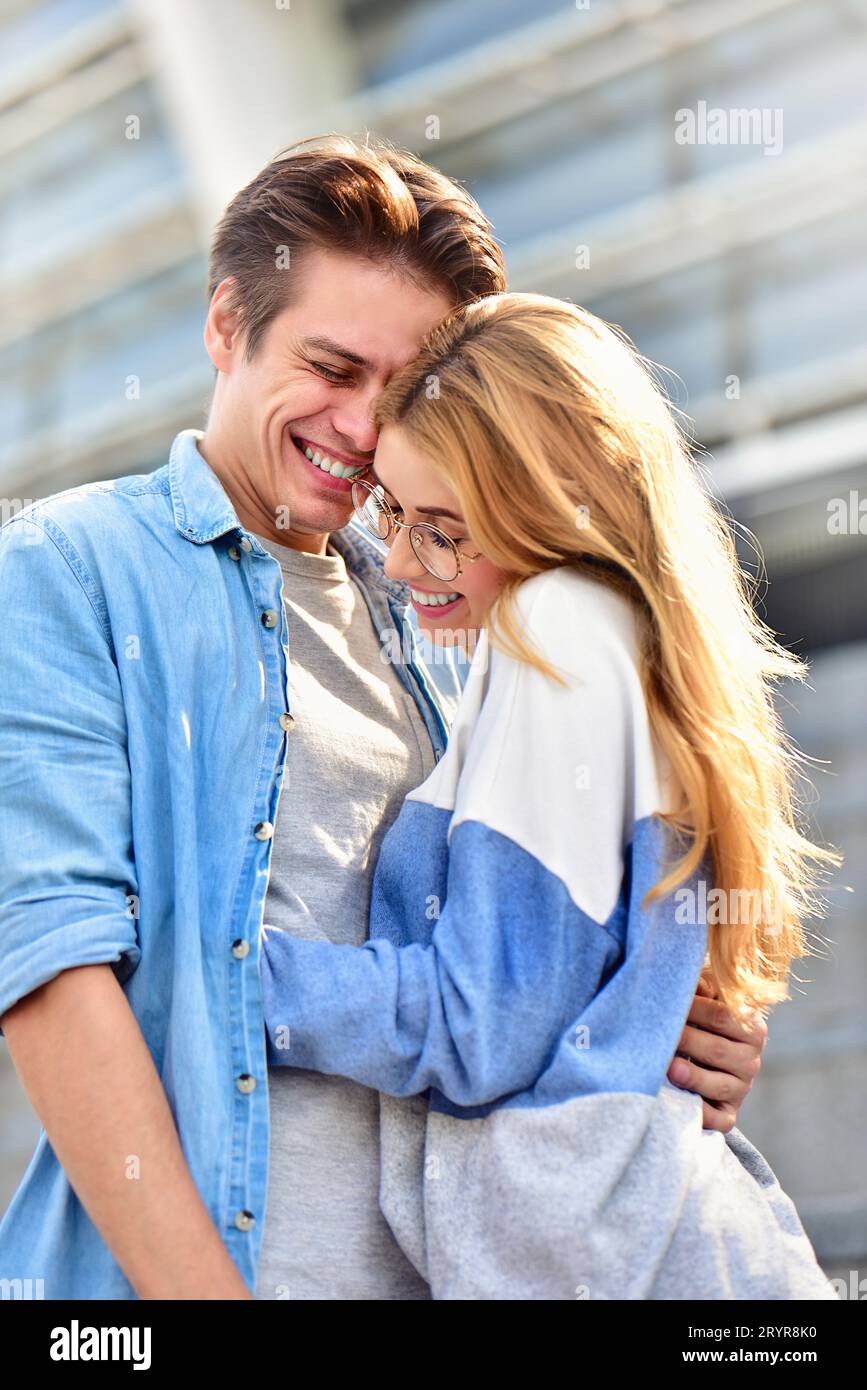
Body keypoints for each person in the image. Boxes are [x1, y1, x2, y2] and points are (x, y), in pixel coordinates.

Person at [0, 136, 766, 1302]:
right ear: (225, 324)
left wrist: (665, 1030)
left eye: (399, 389)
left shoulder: (460, 608)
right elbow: (52, 979)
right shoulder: (69, 570)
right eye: (331, 365)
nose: (362, 427)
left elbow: (528, 967)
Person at [259, 291, 841, 1299]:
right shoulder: (598, 637)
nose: (399, 563)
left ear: (552, 511)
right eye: (391, 512)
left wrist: (227, 975)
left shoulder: (558, 627)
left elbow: (483, 1020)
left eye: (443, 529)